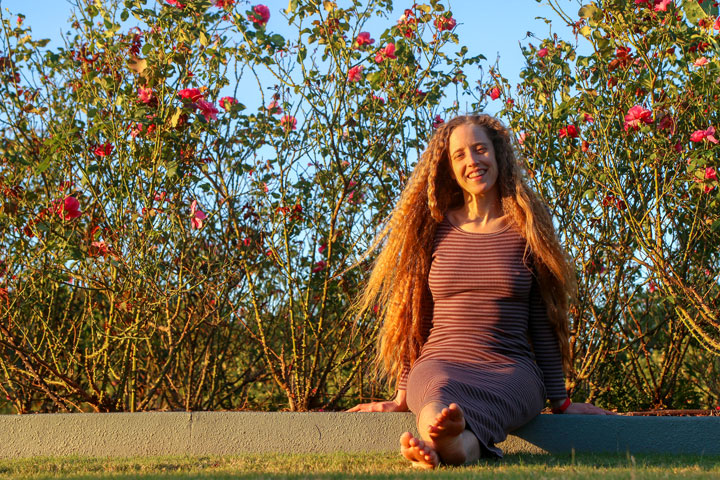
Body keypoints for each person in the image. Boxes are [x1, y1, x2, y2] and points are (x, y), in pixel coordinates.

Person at [347, 114, 613, 469]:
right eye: (460, 155)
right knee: (437, 394)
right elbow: (416, 316)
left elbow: (543, 318)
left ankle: (434, 444)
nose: (472, 161)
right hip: (440, 360)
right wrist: (401, 394)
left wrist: (560, 400)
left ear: (497, 155)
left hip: (511, 370)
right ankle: (450, 441)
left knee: (457, 408)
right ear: (448, 166)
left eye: (479, 149)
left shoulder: (527, 227)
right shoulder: (434, 229)